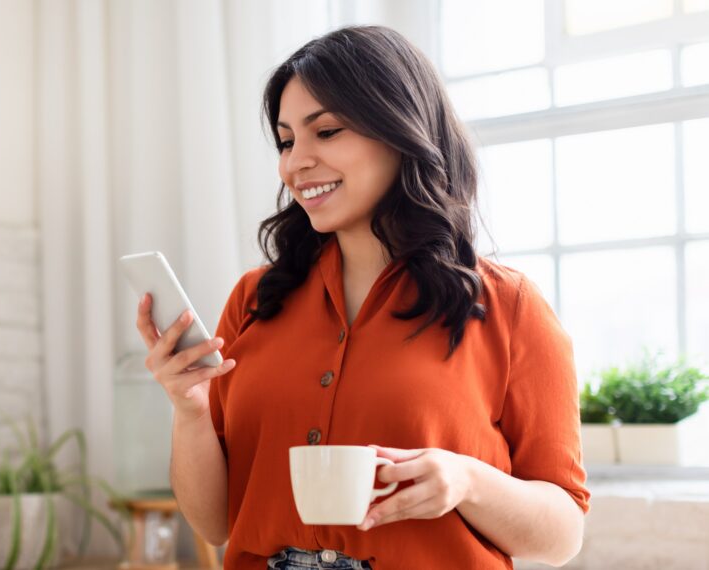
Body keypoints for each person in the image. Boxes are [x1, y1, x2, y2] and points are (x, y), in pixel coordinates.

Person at [133, 26, 589, 570]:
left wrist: (469, 482)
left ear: (400, 130)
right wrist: (190, 410)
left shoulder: (508, 307)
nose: (294, 163)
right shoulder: (254, 300)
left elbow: (561, 537)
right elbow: (214, 523)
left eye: (326, 131)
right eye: (285, 140)